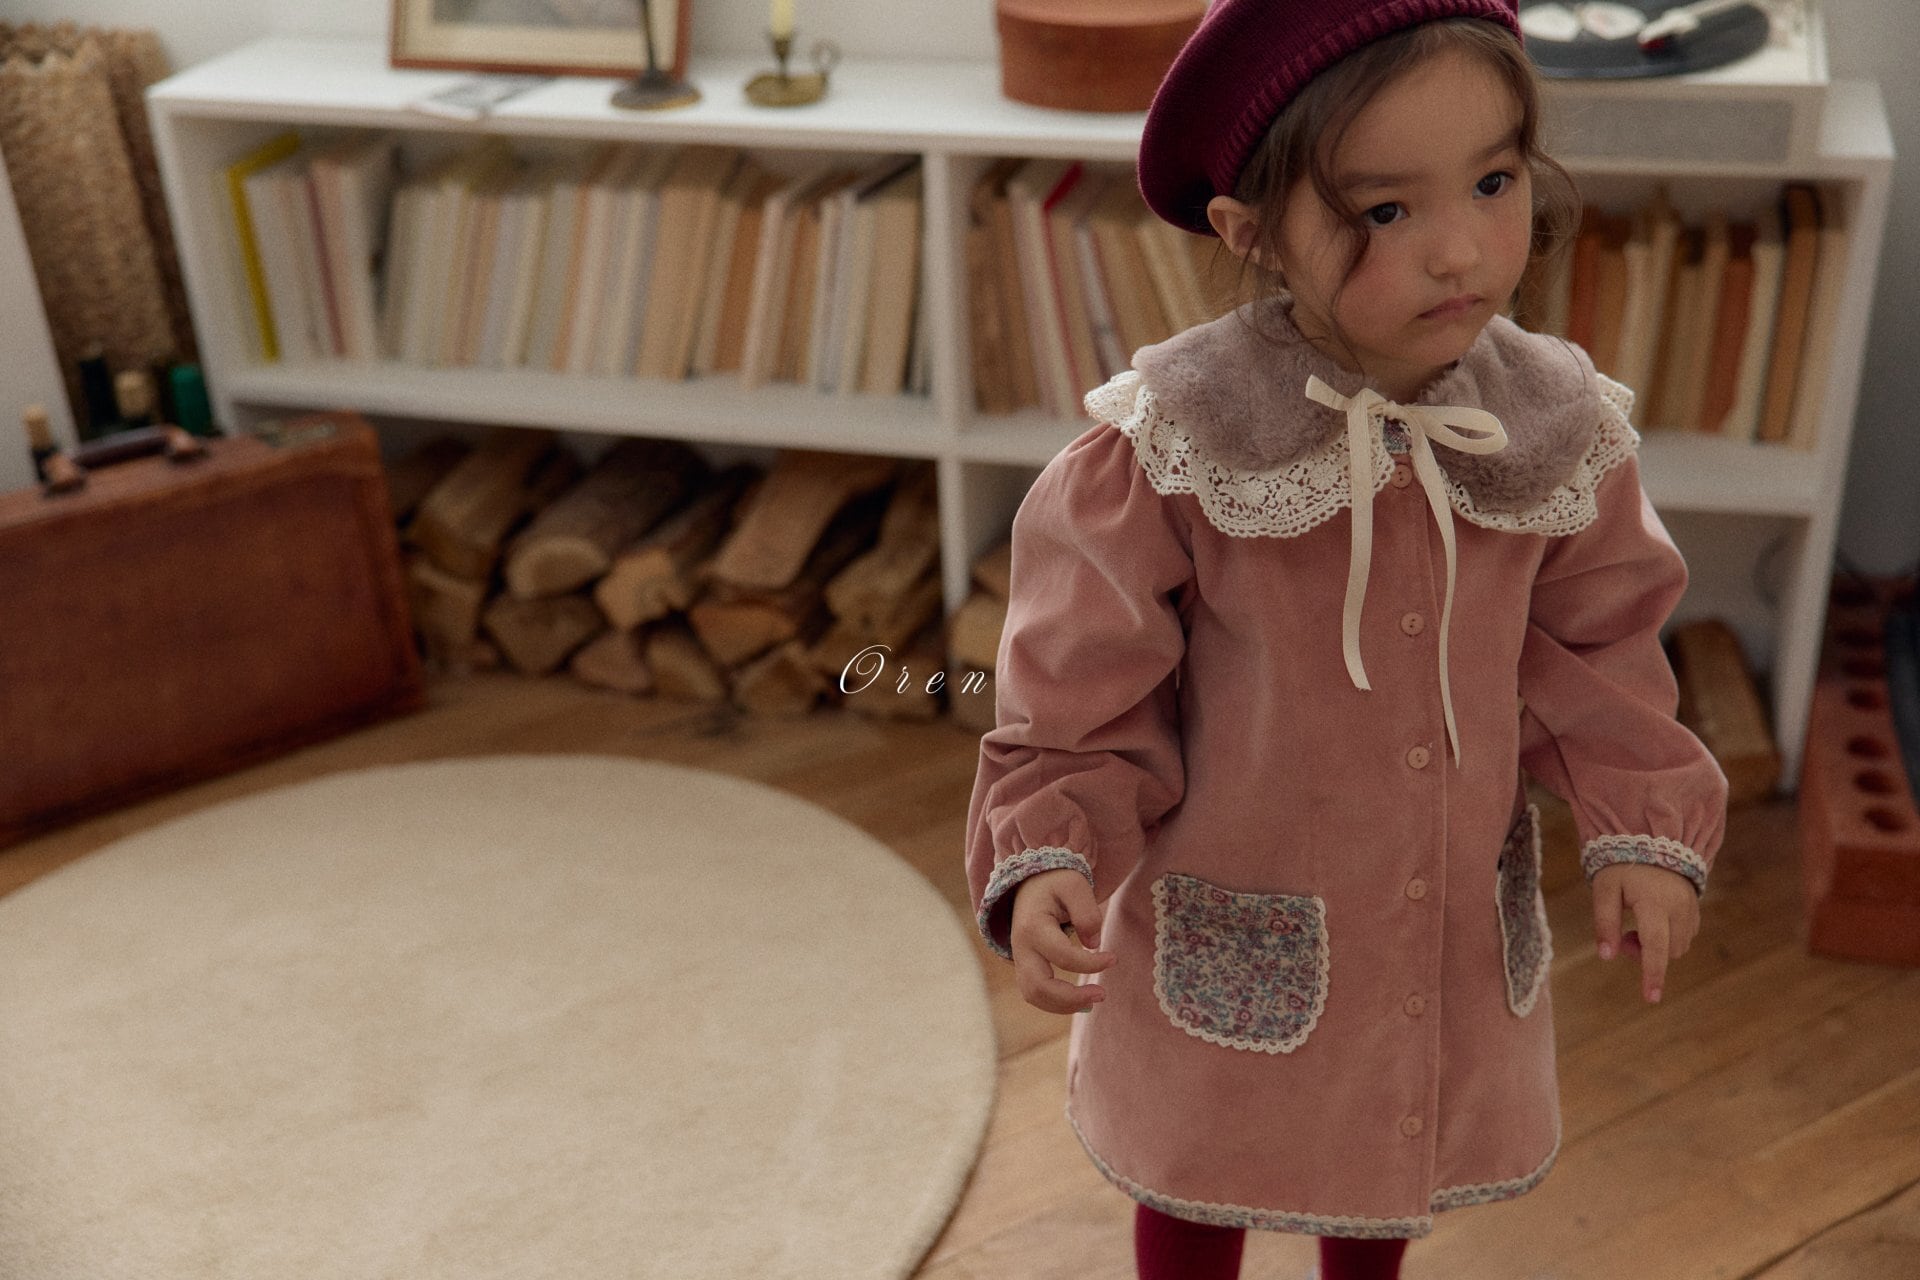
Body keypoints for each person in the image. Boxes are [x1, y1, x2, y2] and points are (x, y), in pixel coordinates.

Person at [961, 2, 1731, 1278]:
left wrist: (1642, 819)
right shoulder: (1177, 442)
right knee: (1203, 1151)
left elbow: (1601, 652)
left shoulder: (1555, 426)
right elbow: (1082, 689)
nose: (1460, 249)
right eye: (1384, 209)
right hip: (1235, 890)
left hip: (1441, 903)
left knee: (1391, 1141)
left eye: (1493, 182)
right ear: (1251, 232)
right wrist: (1051, 847)